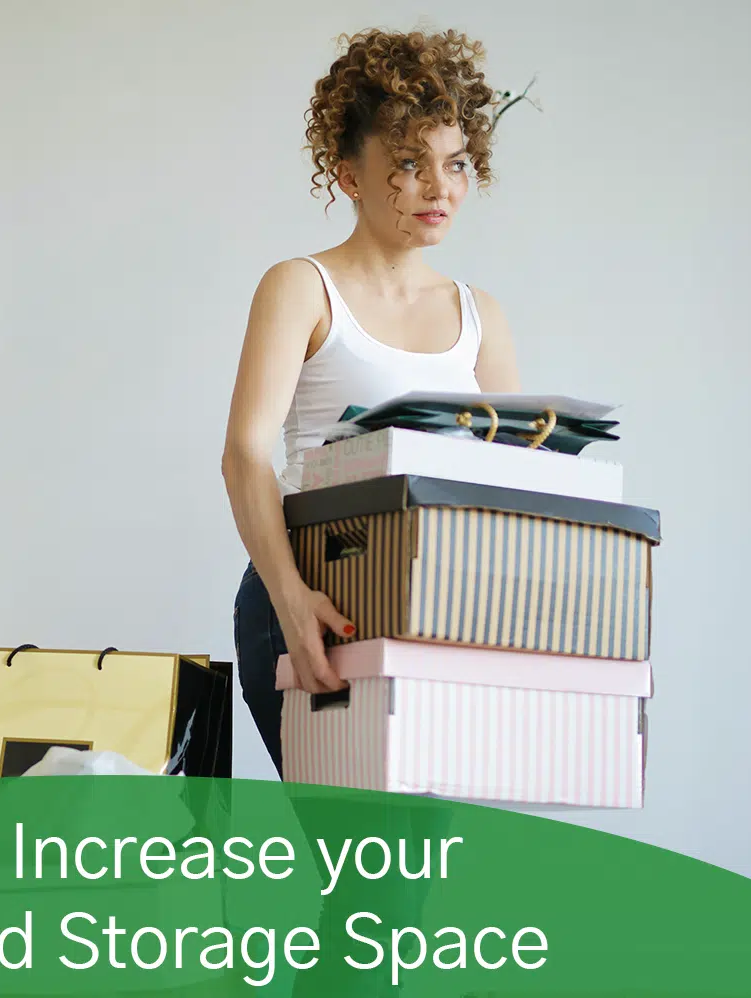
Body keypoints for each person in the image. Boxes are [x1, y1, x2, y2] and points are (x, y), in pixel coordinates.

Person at [222, 27, 523, 777]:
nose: (440, 187)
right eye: (409, 164)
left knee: (412, 878)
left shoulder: (481, 314)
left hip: (441, 612)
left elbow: (515, 487)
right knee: (364, 863)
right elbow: (245, 456)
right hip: (315, 599)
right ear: (349, 175)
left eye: (454, 163)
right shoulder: (300, 288)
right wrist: (291, 602)